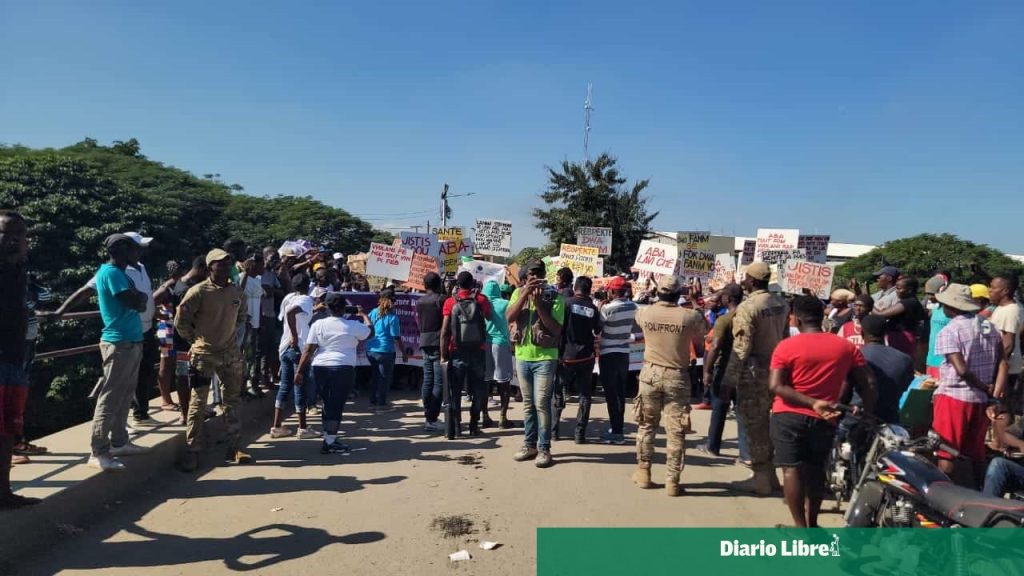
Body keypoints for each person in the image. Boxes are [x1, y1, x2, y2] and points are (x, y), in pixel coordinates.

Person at [769, 296, 874, 527]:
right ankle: (812, 523)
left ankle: (800, 527)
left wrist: (810, 402)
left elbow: (776, 385)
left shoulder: (786, 346)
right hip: (826, 417)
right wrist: (866, 413)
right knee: (816, 470)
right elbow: (868, 383)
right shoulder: (845, 346)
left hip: (788, 415)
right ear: (823, 316)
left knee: (791, 470)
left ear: (795, 317)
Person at [174, 249, 252, 472]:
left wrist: (230, 340)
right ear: (210, 268)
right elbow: (181, 322)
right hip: (203, 355)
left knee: (232, 401)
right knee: (198, 404)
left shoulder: (237, 292)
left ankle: (235, 446)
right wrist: (196, 341)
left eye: (228, 264)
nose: (225, 268)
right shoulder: (198, 292)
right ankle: (193, 450)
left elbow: (241, 318)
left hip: (230, 354)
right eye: (220, 264)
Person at [631, 276, 706, 496]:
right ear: (678, 293)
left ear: (659, 292)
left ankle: (644, 472)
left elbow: (639, 314)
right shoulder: (690, 316)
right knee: (676, 432)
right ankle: (672, 481)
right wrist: (694, 300)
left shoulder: (645, 313)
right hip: (677, 376)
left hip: (650, 374)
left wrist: (650, 292)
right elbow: (704, 330)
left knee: (646, 426)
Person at [932, 283, 1005, 488]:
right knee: (976, 451)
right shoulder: (990, 326)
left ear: (950, 306)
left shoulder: (950, 331)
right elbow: (1002, 363)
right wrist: (992, 394)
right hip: (980, 401)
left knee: (946, 450)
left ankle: (942, 498)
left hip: (954, 397)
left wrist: (984, 387)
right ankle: (982, 491)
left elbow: (961, 370)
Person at [726, 262, 789, 495]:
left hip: (754, 371)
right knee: (768, 423)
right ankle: (770, 475)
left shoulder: (748, 306)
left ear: (752, 280)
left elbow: (741, 348)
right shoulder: (781, 303)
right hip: (776, 368)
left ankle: (761, 477)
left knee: (755, 424)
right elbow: (784, 338)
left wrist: (728, 380)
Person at [87, 234, 149, 471]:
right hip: (119, 342)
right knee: (111, 396)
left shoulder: (121, 273)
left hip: (131, 340)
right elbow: (135, 302)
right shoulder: (112, 273)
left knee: (125, 393)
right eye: (135, 249)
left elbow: (140, 300)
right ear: (121, 250)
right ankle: (98, 450)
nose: (138, 254)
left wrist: (140, 298)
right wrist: (140, 298)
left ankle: (119, 441)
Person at [294, 293, 372, 454]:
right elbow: (370, 332)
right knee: (335, 405)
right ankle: (329, 441)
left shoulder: (318, 324)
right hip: (343, 369)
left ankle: (329, 437)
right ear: (344, 308)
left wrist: (299, 371)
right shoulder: (352, 325)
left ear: (327, 308)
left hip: (320, 367)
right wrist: (364, 315)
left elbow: (308, 350)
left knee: (327, 403)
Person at [0, 210, 41, 507]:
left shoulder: (19, 270)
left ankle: (4, 492)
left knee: (8, 430)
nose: (14, 240)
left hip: (15, 359)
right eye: (7, 233)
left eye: (20, 234)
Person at [506, 260, 565, 467]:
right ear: (525, 275)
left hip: (545, 357)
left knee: (542, 404)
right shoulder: (517, 293)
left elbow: (556, 329)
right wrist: (524, 295)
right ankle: (529, 444)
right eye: (531, 273)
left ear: (544, 274)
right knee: (528, 404)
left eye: (538, 273)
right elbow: (509, 316)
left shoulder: (554, 296)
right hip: (523, 356)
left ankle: (544, 448)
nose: (534, 277)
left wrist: (539, 304)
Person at [701, 283, 750, 461]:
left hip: (725, 369)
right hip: (745, 368)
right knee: (741, 411)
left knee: (719, 407)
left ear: (727, 299)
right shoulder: (749, 317)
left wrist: (707, 371)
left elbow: (714, 347)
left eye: (722, 296)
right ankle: (746, 454)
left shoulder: (725, 320)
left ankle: (712, 446)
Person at [440, 272, 491, 437]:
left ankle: (456, 426)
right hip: (478, 350)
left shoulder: (450, 302)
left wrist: (443, 355)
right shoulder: (481, 300)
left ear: (457, 283)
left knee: (455, 391)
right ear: (472, 283)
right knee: (478, 390)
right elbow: (489, 316)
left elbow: (445, 331)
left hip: (457, 351)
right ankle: (474, 425)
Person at [555, 276, 602, 444]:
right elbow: (598, 329)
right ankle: (579, 434)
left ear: (575, 287)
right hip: (585, 358)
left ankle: (554, 431)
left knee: (558, 392)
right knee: (584, 396)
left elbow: (558, 329)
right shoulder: (593, 308)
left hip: (566, 357)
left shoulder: (566, 304)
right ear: (589, 290)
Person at [271, 274, 317, 438]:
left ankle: (276, 426)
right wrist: (296, 336)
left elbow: (286, 315)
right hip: (297, 348)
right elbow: (291, 314)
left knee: (285, 386)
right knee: (300, 387)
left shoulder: (288, 297)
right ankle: (303, 428)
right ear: (307, 286)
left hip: (284, 348)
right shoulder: (306, 299)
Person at [598, 276, 639, 445]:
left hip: (608, 354)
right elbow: (637, 332)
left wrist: (600, 307)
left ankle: (616, 432)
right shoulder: (635, 307)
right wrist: (626, 337)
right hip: (623, 354)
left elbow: (598, 329)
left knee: (611, 394)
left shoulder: (607, 309)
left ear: (613, 291)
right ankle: (617, 428)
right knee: (620, 392)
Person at [989, 275, 1023, 450]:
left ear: (1005, 291)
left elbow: (1008, 344)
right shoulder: (1001, 309)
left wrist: (995, 370)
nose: (990, 291)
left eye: (993, 288)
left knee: (1002, 409)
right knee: (998, 407)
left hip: (1005, 370)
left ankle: (1002, 446)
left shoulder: (1010, 310)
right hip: (1002, 368)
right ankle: (997, 443)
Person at [859, 315, 914, 423]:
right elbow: (906, 386)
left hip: (858, 417)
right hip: (890, 419)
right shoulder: (904, 359)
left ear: (862, 333)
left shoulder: (857, 356)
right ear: (885, 334)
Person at [481, 280, 514, 429]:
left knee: (485, 383)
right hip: (501, 344)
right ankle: (503, 417)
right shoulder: (505, 303)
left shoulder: (481, 303)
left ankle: (485, 416)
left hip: (484, 345)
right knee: (504, 383)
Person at [416, 272, 445, 432]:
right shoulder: (441, 299)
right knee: (438, 382)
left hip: (424, 342)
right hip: (438, 342)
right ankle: (432, 418)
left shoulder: (419, 301)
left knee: (428, 380)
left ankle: (428, 416)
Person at [367, 290, 406, 411]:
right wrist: (404, 352)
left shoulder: (372, 313)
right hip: (386, 351)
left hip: (371, 350)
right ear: (393, 301)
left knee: (375, 375)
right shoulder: (393, 317)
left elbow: (367, 328)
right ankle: (381, 403)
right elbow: (396, 337)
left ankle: (372, 399)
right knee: (384, 378)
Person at [873, 277, 925, 357]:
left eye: (898, 288)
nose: (896, 291)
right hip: (900, 338)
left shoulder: (909, 302)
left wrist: (870, 306)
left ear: (909, 290)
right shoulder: (911, 301)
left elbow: (882, 314)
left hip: (902, 339)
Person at [240, 255, 265, 398]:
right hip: (245, 324)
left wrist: (260, 321)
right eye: (261, 265)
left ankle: (248, 387)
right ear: (254, 265)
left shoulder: (258, 280)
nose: (263, 268)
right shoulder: (242, 278)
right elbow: (237, 294)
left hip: (255, 325)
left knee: (251, 358)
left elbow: (259, 302)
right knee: (243, 357)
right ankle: (241, 389)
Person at [924, 274, 952, 379]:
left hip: (945, 361)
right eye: (927, 294)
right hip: (931, 358)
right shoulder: (935, 309)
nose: (929, 297)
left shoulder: (951, 311)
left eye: (931, 294)